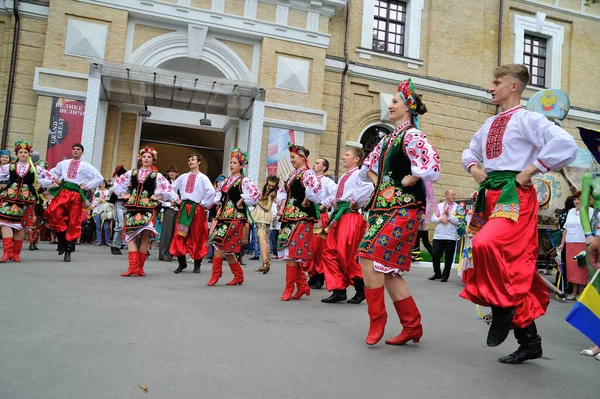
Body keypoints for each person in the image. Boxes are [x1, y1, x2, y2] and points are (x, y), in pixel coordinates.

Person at [460, 64, 577, 364]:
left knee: (486, 244)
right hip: (491, 195)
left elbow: (565, 144)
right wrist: (476, 170)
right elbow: (469, 153)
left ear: (514, 87)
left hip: (515, 194)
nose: (491, 87)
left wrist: (530, 170)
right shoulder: (488, 125)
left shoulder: (528, 119)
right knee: (510, 268)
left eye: (497, 82)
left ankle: (501, 309)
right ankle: (529, 341)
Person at [358, 78, 440, 346]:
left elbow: (432, 165)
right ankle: (412, 326)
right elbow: (367, 168)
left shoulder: (412, 135)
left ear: (409, 107)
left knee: (368, 255)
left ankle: (377, 319)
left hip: (404, 208)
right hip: (382, 208)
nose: (390, 105)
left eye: (395, 101)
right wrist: (379, 182)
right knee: (389, 269)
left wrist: (414, 178)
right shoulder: (386, 140)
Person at [320, 147, 374, 304]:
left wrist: (354, 202)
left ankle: (361, 286)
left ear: (356, 159)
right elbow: (337, 194)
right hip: (339, 217)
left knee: (346, 254)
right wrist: (327, 203)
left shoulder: (359, 174)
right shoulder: (344, 176)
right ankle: (338, 289)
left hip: (350, 217)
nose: (343, 157)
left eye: (347, 155)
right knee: (329, 252)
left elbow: (368, 188)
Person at [114, 147, 175, 277]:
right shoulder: (132, 172)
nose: (146, 159)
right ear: (140, 159)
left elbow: (168, 190)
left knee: (145, 237)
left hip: (148, 207)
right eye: (144, 157)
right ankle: (132, 267)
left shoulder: (156, 175)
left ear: (153, 160)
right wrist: (124, 195)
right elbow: (118, 183)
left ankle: (140, 268)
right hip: (133, 207)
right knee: (130, 236)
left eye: (149, 157)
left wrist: (157, 197)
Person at [207, 148, 259, 286]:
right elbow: (217, 197)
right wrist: (208, 205)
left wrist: (243, 200)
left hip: (235, 218)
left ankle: (216, 274)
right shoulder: (226, 181)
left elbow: (255, 194)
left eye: (235, 162)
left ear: (241, 165)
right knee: (228, 250)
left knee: (218, 243)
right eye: (231, 162)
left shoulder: (244, 181)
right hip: (223, 217)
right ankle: (238, 276)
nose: (231, 165)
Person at [277, 143, 322, 301]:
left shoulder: (308, 173)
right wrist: (282, 204)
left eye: (293, 157)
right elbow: (283, 192)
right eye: (290, 157)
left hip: (302, 217)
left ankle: (290, 287)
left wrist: (307, 198)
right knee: (290, 252)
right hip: (289, 217)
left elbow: (316, 190)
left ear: (302, 157)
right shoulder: (292, 175)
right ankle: (302, 285)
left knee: (292, 253)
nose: (291, 160)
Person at [45, 143, 104, 262]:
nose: (76, 151)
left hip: (76, 195)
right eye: (74, 149)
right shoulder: (63, 163)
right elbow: (52, 172)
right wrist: (55, 179)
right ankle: (62, 239)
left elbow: (99, 178)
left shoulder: (87, 166)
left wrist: (86, 186)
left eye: (78, 149)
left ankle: (68, 249)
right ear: (71, 151)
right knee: (53, 212)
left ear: (82, 152)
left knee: (73, 221)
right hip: (63, 192)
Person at [0, 141, 55, 262]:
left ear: (29, 154)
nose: (23, 154)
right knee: (5, 223)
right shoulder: (10, 166)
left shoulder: (35, 168)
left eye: (25, 152)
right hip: (9, 198)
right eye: (20, 152)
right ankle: (7, 251)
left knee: (21, 225)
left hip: (26, 200)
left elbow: (51, 178)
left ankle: (16, 253)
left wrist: (40, 183)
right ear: (16, 153)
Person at [170, 154, 215, 274]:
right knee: (180, 234)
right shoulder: (183, 177)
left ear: (199, 162)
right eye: (189, 160)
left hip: (197, 209)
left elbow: (211, 192)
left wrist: (203, 203)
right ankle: (181, 262)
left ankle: (197, 264)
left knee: (197, 235)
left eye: (193, 159)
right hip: (184, 207)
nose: (190, 161)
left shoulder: (203, 178)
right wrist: (177, 199)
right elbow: (171, 188)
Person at [307, 158, 337, 289]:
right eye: (315, 162)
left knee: (319, 246)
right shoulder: (310, 180)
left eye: (318, 163)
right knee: (310, 246)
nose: (314, 164)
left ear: (324, 168)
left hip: (320, 216)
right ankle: (312, 273)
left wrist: (325, 203)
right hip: (309, 214)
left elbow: (336, 194)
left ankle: (319, 275)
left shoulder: (328, 182)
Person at [558, 191, 591, 300]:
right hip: (570, 243)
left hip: (583, 243)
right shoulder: (571, 211)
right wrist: (562, 243)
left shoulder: (590, 211)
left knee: (581, 268)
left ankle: (581, 293)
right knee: (571, 268)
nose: (576, 201)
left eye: (579, 199)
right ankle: (574, 291)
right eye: (575, 199)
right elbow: (566, 229)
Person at [429, 189, 461, 282]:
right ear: (446, 195)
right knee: (435, 255)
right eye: (452, 194)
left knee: (448, 258)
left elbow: (458, 221)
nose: (454, 196)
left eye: (454, 194)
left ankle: (445, 276)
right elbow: (433, 218)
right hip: (438, 235)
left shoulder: (458, 207)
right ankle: (437, 273)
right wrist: (440, 219)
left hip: (450, 236)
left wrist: (448, 215)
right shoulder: (438, 206)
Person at [252, 175, 280, 274]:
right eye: (269, 185)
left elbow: (267, 208)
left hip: (263, 216)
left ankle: (265, 263)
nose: (270, 187)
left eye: (272, 186)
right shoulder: (266, 191)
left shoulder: (272, 194)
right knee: (265, 239)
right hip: (262, 216)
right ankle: (266, 262)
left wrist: (258, 201)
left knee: (262, 238)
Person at [159, 164, 179, 262]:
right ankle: (163, 254)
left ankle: (170, 253)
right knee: (166, 232)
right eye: (170, 172)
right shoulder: (164, 183)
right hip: (168, 208)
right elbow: (159, 197)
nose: (171, 173)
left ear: (176, 173)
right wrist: (167, 204)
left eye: (173, 172)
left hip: (177, 209)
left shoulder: (178, 183)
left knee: (173, 232)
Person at [109, 164, 127, 255]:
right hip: (119, 203)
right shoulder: (117, 182)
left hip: (127, 204)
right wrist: (111, 203)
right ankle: (114, 245)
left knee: (123, 226)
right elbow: (114, 192)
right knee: (120, 225)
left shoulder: (129, 181)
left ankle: (118, 245)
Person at [92, 180, 111, 246]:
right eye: (101, 184)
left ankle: (107, 241)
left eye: (103, 183)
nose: (102, 185)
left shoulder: (108, 191)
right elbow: (93, 202)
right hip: (97, 210)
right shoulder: (96, 192)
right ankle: (99, 241)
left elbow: (110, 200)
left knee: (106, 227)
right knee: (98, 226)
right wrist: (97, 202)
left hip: (105, 210)